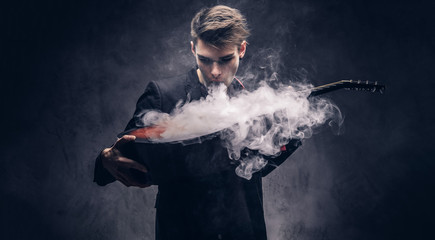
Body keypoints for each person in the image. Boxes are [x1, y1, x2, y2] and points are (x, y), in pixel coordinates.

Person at [94, 5, 300, 240]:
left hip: (245, 231)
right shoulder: (163, 94)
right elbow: (122, 156)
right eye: (205, 59)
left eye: (225, 60)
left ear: (241, 50)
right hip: (184, 231)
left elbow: (255, 167)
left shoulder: (253, 100)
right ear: (193, 49)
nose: (215, 71)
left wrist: (291, 128)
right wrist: (105, 158)